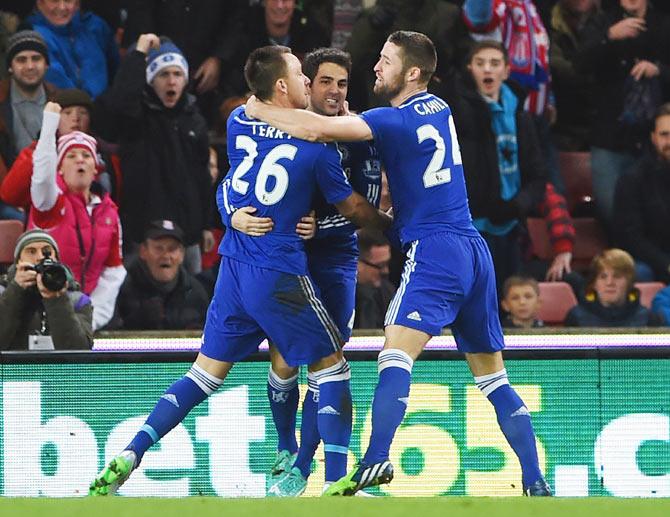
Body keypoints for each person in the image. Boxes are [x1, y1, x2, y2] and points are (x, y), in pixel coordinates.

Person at [246, 30, 551, 496]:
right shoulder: (440, 107)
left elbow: (316, 129)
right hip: (474, 249)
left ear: (411, 72)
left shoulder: (393, 119)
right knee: (493, 378)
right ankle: (535, 481)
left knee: (394, 354)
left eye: (385, 61)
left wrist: (257, 109)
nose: (376, 68)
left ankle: (376, 458)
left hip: (436, 248)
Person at [88, 44, 390, 497]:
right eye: (308, 77)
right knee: (331, 368)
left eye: (335, 82)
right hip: (281, 268)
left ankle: (133, 450)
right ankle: (337, 483)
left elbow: (232, 179)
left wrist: (231, 213)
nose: (316, 85)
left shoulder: (239, 122)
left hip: (235, 264)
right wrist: (395, 224)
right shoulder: (320, 147)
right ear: (286, 86)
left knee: (206, 372)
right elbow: (358, 210)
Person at [230, 47, 383, 496]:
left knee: (328, 360)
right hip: (291, 258)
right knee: (285, 356)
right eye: (325, 82)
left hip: (334, 258)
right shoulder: (282, 127)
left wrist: (322, 225)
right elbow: (236, 179)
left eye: (342, 83)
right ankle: (287, 450)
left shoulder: (358, 135)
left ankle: (311, 468)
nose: (335, 92)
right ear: (306, 86)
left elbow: (365, 207)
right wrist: (234, 214)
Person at [95, 34, 212, 275]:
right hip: (142, 230)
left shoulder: (195, 119)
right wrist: (138, 54)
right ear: (150, 80)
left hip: (187, 233)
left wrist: (207, 225)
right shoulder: (137, 116)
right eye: (163, 74)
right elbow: (120, 100)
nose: (171, 82)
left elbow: (202, 177)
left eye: (177, 74)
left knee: (192, 299)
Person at [443, 40, 547, 292]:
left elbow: (537, 175)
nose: (487, 70)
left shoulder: (521, 116)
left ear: (506, 71)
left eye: (494, 63)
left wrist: (517, 205)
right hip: (471, 225)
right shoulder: (459, 113)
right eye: (480, 64)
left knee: (506, 297)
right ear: (470, 69)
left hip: (511, 224)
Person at [29, 102, 125, 331]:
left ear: (95, 169)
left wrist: (91, 318)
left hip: (85, 313)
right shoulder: (50, 202)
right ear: (59, 168)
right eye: (71, 156)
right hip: (42, 307)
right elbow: (41, 178)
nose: (80, 160)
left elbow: (113, 271)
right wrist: (50, 126)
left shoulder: (109, 212)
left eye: (86, 156)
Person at [577, 0, 670, 229]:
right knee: (612, 212)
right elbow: (579, 65)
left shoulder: (663, 24)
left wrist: (659, 70)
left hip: (654, 138)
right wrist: (608, 37)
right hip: (609, 135)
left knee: (656, 216)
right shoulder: (601, 22)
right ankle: (624, 264)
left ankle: (648, 264)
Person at [1, 87, 96, 211]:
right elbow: (10, 195)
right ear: (55, 119)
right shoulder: (35, 152)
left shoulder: (101, 156)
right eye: (67, 113)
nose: (76, 118)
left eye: (82, 112)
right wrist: (39, 157)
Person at [0, 229, 93, 350]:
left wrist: (57, 299)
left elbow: (78, 352)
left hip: (58, 368)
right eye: (31, 251)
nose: (40, 257)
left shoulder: (77, 300)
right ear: (18, 262)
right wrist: (16, 290)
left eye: (46, 251)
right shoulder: (3, 293)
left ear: (56, 259)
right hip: (12, 368)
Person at [111, 220, 209, 330]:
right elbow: (106, 336)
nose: (166, 255)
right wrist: (136, 321)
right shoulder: (122, 288)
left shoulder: (195, 292)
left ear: (182, 255)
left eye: (172, 249)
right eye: (158, 248)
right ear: (143, 251)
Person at [613, 103, 670, 284]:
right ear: (653, 138)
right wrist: (667, 264)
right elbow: (631, 237)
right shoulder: (633, 179)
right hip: (650, 260)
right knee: (639, 272)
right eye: (664, 135)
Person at [25, 0, 120, 99]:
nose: (62, 7)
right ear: (40, 3)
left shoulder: (95, 26)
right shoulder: (35, 37)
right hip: (66, 109)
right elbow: (57, 84)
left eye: (68, 0)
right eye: (54, 1)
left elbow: (116, 71)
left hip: (105, 107)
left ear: (77, 4)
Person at [564, 248, 662, 327]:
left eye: (617, 276)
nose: (610, 283)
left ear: (629, 282)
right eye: (603, 277)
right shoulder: (576, 317)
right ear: (594, 283)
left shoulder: (649, 319)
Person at [0, 30, 54, 168]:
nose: (30, 66)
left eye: (36, 58)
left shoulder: (61, 101)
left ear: (46, 64)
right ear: (10, 67)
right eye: (21, 60)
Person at [354, 229, 395, 329]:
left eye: (387, 264)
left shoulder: (387, 292)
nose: (386, 271)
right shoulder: (337, 294)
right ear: (357, 263)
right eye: (380, 265)